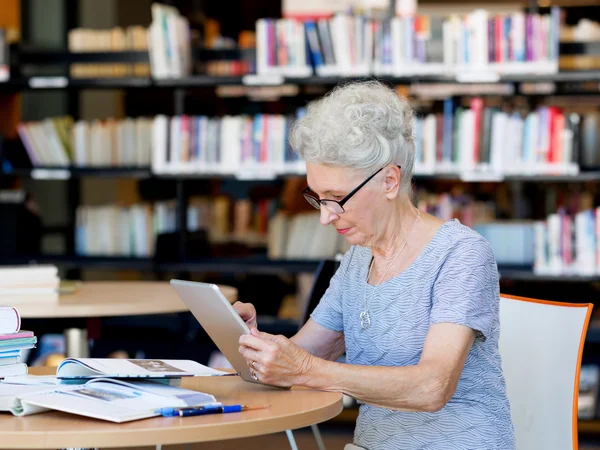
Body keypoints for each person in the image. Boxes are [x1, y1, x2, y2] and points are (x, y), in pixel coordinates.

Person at [235, 81, 515, 450]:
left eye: (336, 198)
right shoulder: (357, 260)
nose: (325, 217)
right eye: (316, 198)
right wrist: (261, 348)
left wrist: (303, 368)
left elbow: (432, 387)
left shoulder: (461, 253)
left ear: (389, 180)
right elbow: (304, 357)